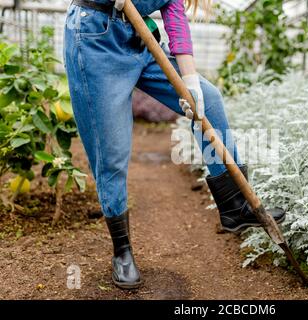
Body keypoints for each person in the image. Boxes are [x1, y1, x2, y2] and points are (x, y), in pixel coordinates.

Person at [63, 0, 286, 290]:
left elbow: (176, 17)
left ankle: (234, 204)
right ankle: (122, 251)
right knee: (112, 153)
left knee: (209, 100)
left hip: (139, 37)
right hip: (95, 41)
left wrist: (190, 80)